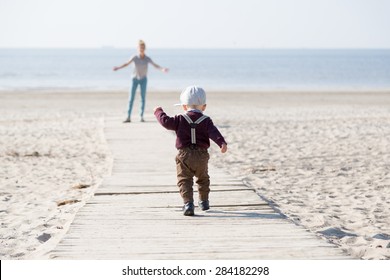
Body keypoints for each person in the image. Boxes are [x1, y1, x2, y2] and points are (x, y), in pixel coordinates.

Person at [154, 86, 228, 216]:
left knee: (184, 180)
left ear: (184, 106)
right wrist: (221, 143)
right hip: (201, 155)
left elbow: (165, 122)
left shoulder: (180, 119)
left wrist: (158, 111)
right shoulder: (206, 120)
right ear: (204, 107)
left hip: (184, 155)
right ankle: (204, 202)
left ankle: (188, 204)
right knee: (203, 178)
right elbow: (214, 133)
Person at [113, 40, 169, 123]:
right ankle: (128, 117)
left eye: (142, 47)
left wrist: (162, 69)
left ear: (144, 48)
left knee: (142, 98)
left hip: (143, 80)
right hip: (134, 79)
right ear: (138, 48)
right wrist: (118, 68)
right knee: (131, 98)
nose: (141, 49)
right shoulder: (134, 57)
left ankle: (141, 116)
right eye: (140, 47)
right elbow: (126, 63)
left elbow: (155, 65)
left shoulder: (147, 58)